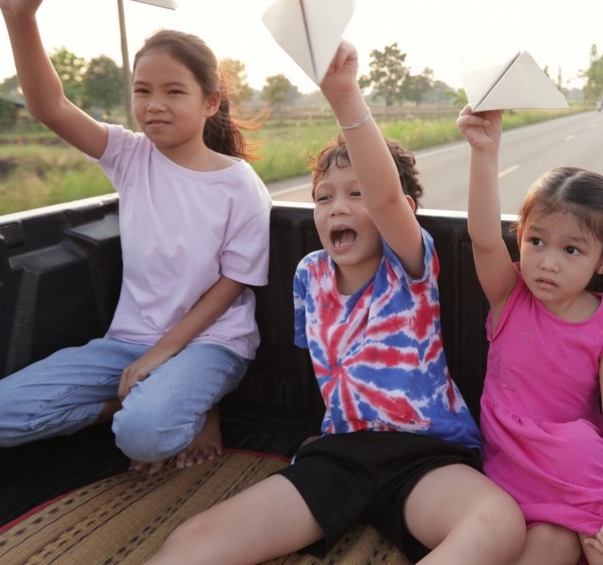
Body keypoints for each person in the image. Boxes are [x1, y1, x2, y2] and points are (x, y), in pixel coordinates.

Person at [147, 41, 525, 565]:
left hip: (425, 456)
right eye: (324, 197)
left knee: (497, 522)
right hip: (338, 454)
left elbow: (388, 198)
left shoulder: (408, 265)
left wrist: (345, 97)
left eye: (356, 194)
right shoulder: (309, 275)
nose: (336, 207)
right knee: (194, 541)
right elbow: (325, 375)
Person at [0, 0, 271, 474]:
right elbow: (51, 107)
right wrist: (18, 15)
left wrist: (163, 354)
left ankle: (188, 404)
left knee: (143, 437)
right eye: (142, 90)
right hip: (125, 343)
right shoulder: (131, 156)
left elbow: (232, 285)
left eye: (174, 91)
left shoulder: (239, 185)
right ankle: (147, 404)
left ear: (210, 101)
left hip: (210, 343)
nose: (154, 104)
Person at [458, 105, 603, 565]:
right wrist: (485, 153)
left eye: (571, 249)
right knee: (554, 535)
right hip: (511, 463)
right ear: (520, 236)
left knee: (596, 537)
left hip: (574, 471)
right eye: (537, 241)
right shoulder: (510, 295)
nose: (548, 261)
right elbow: (484, 238)